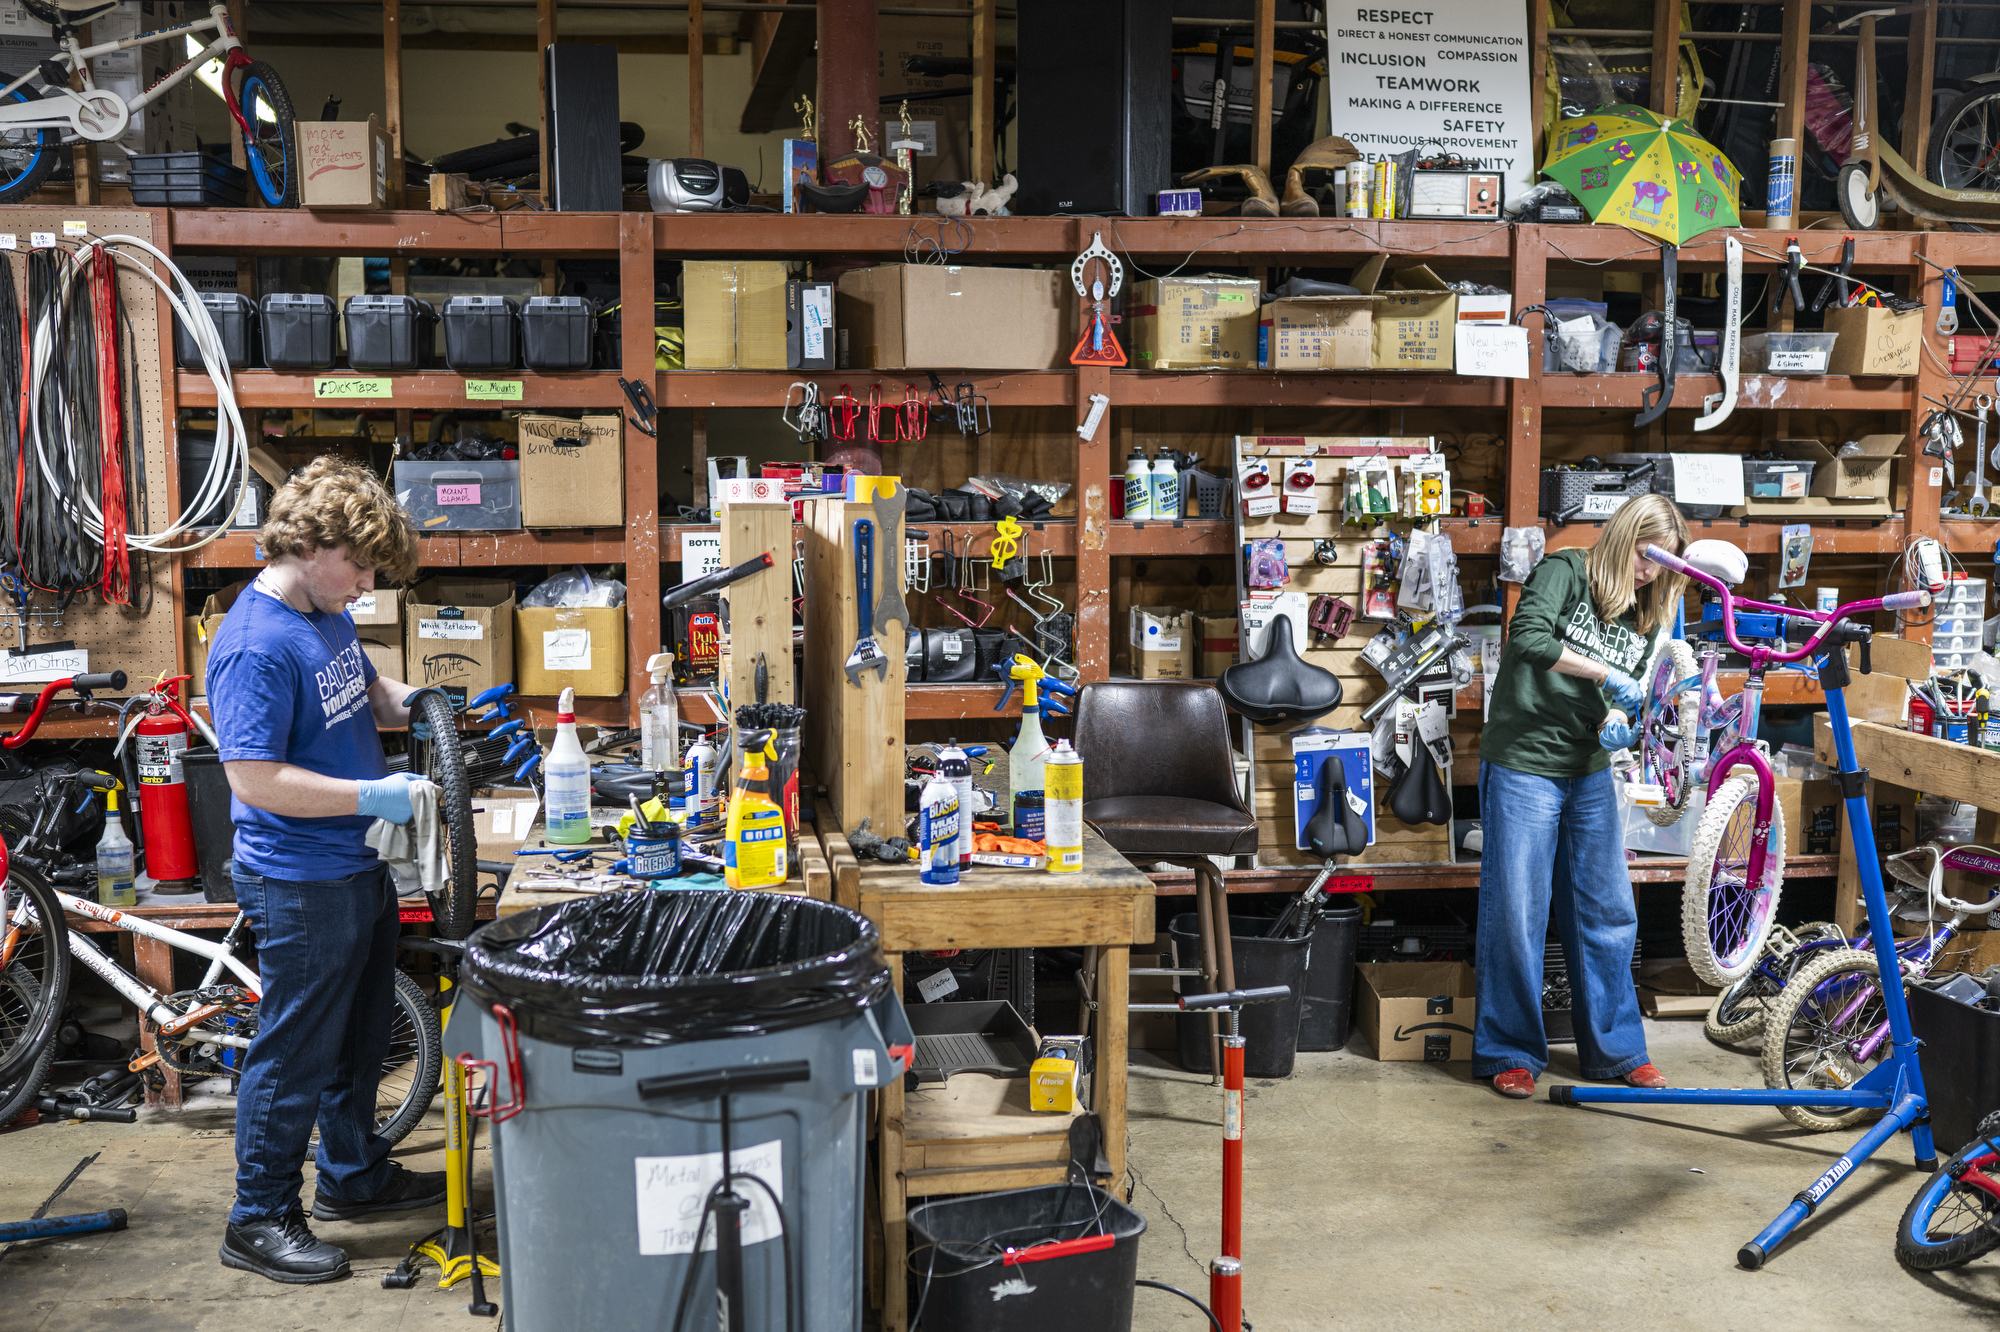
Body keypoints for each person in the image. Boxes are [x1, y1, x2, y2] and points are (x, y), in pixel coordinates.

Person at [206, 457, 440, 1283]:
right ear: (310, 543)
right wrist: (377, 794)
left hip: (354, 862)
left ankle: (353, 1175)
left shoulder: (324, 611)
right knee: (297, 1049)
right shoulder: (254, 647)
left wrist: (428, 704)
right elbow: (255, 779)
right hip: (299, 878)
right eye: (361, 565)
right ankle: (259, 1216)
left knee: (362, 1037)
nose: (369, 582)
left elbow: (368, 692)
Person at [1474, 493, 1691, 1100]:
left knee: (1607, 911)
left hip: (1589, 768)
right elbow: (1528, 638)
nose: (1651, 572)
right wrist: (1606, 676)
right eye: (1648, 557)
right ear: (1624, 537)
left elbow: (1635, 687)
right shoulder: (1565, 572)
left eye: (1664, 563)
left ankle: (1617, 1051)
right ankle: (1509, 1050)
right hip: (1524, 763)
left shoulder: (1649, 606)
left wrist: (1619, 717)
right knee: (1519, 911)